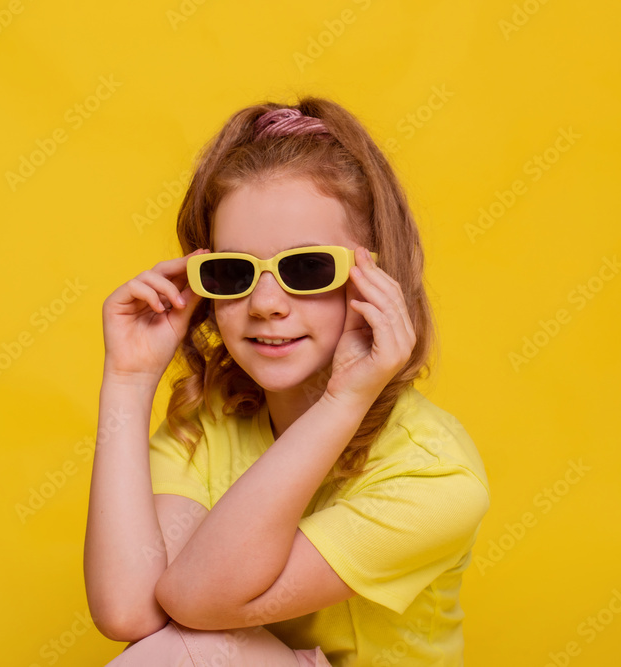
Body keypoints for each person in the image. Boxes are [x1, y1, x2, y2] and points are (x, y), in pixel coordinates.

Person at [83, 96, 490, 666]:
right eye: (233, 272)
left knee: (184, 648)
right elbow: (129, 611)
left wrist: (343, 400)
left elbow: (195, 604)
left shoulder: (436, 477)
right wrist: (129, 379)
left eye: (307, 268)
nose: (265, 304)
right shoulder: (214, 420)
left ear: (376, 278)